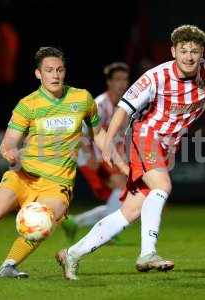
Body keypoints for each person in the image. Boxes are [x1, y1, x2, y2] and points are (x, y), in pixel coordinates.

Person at [55, 25, 205, 280]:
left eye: (194, 51)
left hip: (167, 146)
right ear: (173, 51)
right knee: (162, 186)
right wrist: (106, 144)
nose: (189, 57)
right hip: (144, 136)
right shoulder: (155, 77)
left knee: (131, 210)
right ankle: (147, 254)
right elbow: (124, 108)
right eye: (184, 51)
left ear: (201, 51)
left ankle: (72, 253)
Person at [0, 46, 127, 278]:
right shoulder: (28, 105)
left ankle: (8, 266)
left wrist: (114, 157)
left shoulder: (82, 98)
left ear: (65, 72)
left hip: (57, 182)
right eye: (49, 70)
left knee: (44, 222)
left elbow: (98, 134)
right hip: (24, 176)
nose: (55, 75)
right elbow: (7, 143)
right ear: (38, 74)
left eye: (59, 70)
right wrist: (10, 153)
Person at [61, 62, 130, 242]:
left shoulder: (125, 106)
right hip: (88, 156)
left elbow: (121, 136)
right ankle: (108, 231)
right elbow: (82, 131)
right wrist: (90, 154)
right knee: (122, 189)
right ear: (109, 82)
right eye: (118, 79)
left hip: (107, 156)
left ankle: (76, 222)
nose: (122, 83)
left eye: (125, 79)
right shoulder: (100, 104)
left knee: (121, 197)